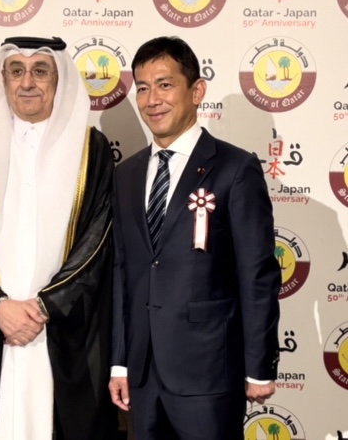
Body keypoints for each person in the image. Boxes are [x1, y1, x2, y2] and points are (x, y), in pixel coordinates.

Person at [0, 36, 118, 440]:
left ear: (59, 81)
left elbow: (97, 238)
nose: (28, 83)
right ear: (2, 80)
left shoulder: (90, 150)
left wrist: (45, 306)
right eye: (16, 71)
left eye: (41, 71)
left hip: (62, 327)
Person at [109, 36, 281, 440]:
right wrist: (120, 363)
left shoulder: (235, 168)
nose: (153, 99)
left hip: (209, 373)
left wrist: (259, 366)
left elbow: (257, 274)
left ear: (197, 90)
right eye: (143, 88)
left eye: (165, 85)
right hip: (144, 374)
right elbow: (123, 274)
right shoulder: (126, 174)